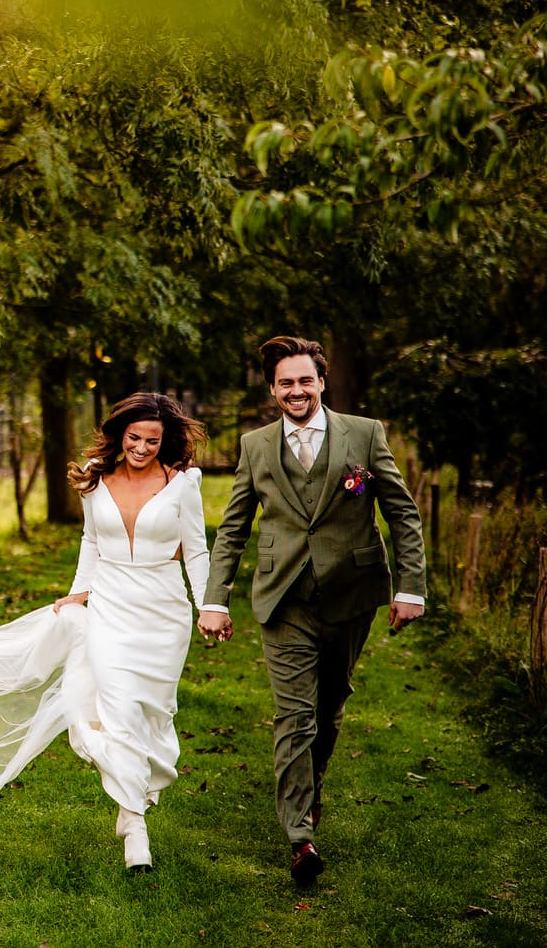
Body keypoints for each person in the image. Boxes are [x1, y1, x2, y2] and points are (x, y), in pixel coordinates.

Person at [0, 392, 209, 872]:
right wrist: (79, 592)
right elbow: (91, 541)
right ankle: (135, 826)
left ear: (165, 442)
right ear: (120, 434)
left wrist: (210, 606)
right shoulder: (96, 479)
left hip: (164, 614)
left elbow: (198, 550)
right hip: (111, 607)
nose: (141, 448)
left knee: (152, 714)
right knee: (118, 709)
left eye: (152, 441)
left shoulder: (182, 483)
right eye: (134, 438)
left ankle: (131, 797)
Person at [199, 335, 426, 888]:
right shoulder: (255, 446)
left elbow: (401, 512)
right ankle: (300, 838)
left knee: (329, 707)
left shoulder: (364, 434)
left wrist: (411, 589)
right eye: (285, 383)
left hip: (351, 592)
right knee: (294, 715)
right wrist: (214, 599)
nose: (296, 390)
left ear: (321, 382)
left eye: (305, 380)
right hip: (284, 597)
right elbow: (233, 529)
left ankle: (312, 784)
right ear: (273, 390)